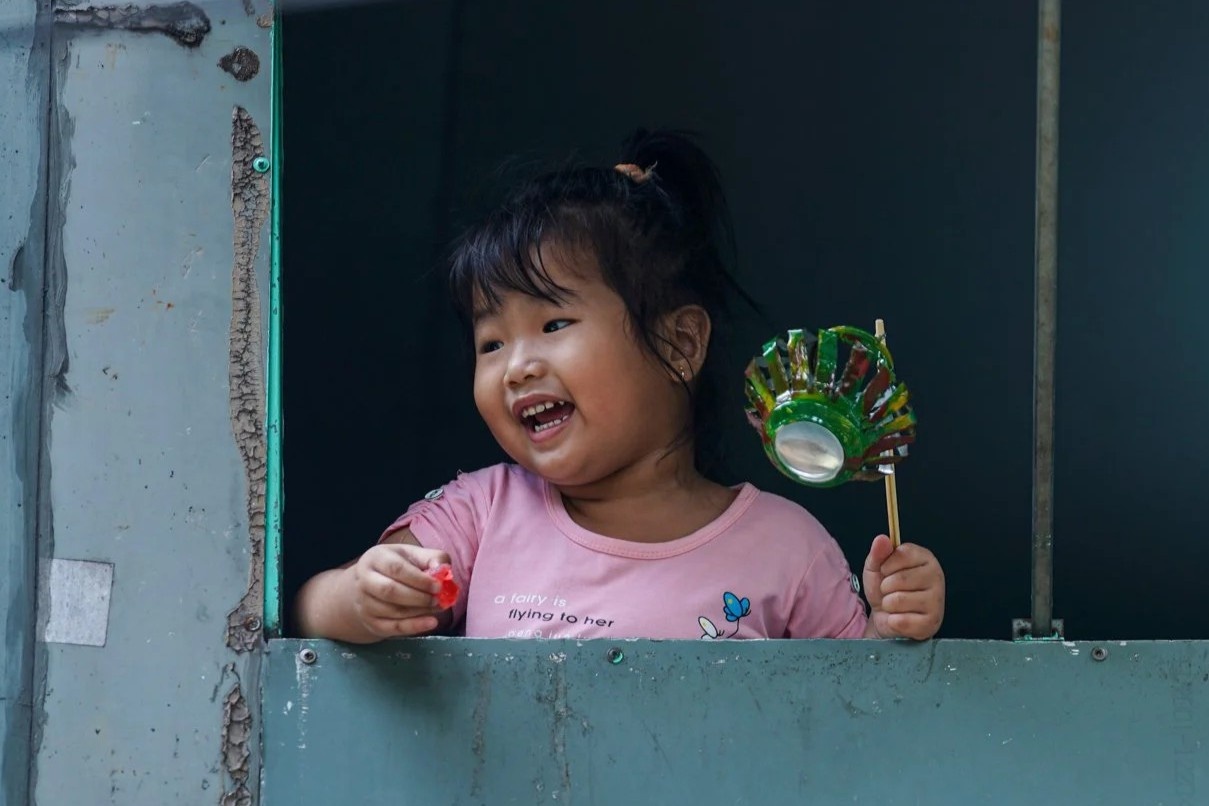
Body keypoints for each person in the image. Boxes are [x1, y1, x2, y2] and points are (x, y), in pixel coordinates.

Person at [294, 130, 945, 644]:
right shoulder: (479, 515)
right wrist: (360, 597)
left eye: (552, 323)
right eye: (491, 343)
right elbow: (314, 609)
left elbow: (864, 713)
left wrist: (891, 626)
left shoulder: (787, 548)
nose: (515, 365)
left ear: (679, 343)